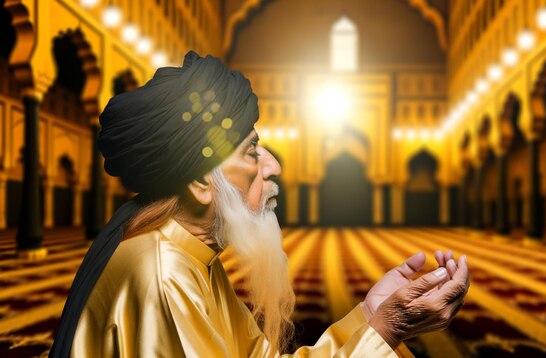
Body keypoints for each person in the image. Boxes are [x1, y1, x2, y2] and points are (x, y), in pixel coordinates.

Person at [49, 51, 470, 358]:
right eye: (252, 151)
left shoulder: (192, 259)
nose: (274, 165)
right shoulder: (164, 273)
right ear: (199, 181)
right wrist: (385, 330)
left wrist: (372, 317)